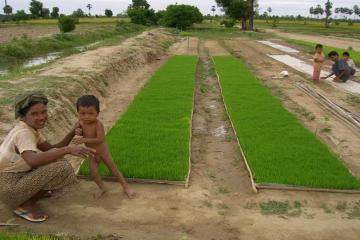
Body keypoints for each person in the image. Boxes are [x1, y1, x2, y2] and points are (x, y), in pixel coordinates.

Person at [0, 92, 95, 223]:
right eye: (34, 114)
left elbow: (51, 149)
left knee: (56, 158)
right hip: (9, 190)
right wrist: (67, 149)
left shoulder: (30, 129)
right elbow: (33, 160)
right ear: (23, 116)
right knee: (61, 167)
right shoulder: (24, 133)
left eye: (44, 112)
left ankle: (31, 193)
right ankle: (25, 204)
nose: (41, 117)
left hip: (14, 181)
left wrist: (72, 132)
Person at [73, 95, 134, 199]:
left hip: (103, 152)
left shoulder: (98, 124)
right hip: (92, 153)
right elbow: (77, 130)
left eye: (91, 113)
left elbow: (100, 139)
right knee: (94, 173)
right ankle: (102, 188)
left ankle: (126, 187)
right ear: (78, 113)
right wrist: (77, 131)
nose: (86, 116)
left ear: (98, 113)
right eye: (82, 113)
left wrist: (83, 140)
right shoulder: (80, 122)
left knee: (114, 170)